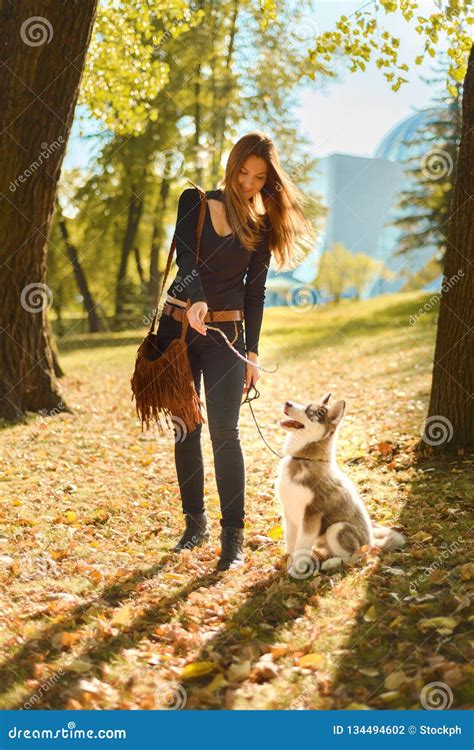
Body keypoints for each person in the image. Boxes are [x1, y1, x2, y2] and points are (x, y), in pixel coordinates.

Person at [156, 131, 314, 571]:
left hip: (227, 337)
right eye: (243, 172)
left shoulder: (262, 226)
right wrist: (198, 297)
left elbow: (255, 293)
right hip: (179, 329)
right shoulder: (196, 202)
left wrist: (253, 354)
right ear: (231, 166)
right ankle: (194, 524)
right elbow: (186, 259)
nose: (248, 182)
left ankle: (233, 538)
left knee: (225, 431)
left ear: (268, 180)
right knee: (185, 427)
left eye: (258, 177)